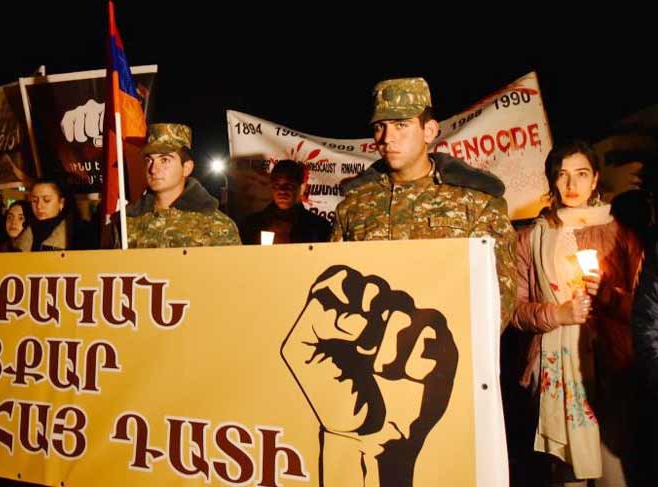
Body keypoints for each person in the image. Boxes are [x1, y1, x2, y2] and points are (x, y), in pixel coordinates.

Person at [331, 77, 517, 329]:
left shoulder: (475, 202)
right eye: (380, 127)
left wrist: (456, 342)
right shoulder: (354, 206)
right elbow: (338, 283)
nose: (387, 138)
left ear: (429, 131)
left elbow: (500, 294)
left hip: (443, 344)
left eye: (401, 125)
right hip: (368, 345)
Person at [511, 141, 642, 486]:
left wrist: (609, 295)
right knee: (567, 473)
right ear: (551, 180)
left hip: (609, 366)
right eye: (563, 174)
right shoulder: (530, 238)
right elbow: (515, 310)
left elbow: (643, 308)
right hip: (555, 368)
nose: (572, 185)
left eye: (581, 174)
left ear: (595, 179)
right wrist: (557, 314)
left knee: (613, 470)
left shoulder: (619, 234)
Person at [120, 123, 240, 248]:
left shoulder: (218, 226)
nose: (153, 169)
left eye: (164, 160)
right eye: (149, 160)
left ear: (187, 168)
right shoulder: (126, 222)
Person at [239, 159, 331, 244]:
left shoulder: (319, 227)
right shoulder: (252, 225)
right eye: (276, 185)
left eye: (289, 185)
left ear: (302, 188)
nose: (282, 191)